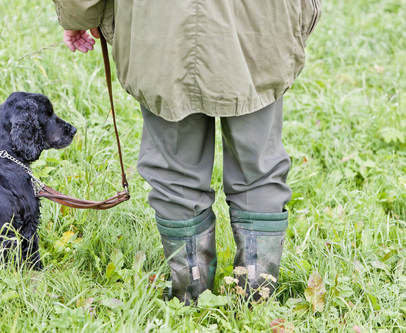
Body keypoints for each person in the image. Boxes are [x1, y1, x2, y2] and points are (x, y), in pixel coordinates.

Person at [52, 0, 321, 304]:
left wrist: (78, 14)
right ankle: (255, 295)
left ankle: (189, 298)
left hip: (159, 25)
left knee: (175, 169)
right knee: (258, 167)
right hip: (260, 20)